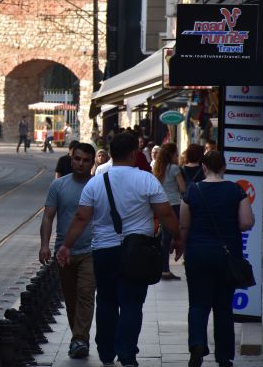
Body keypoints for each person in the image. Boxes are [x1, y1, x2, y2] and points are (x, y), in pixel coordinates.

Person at [56, 133, 183, 367]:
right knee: (133, 304)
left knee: (106, 301)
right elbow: (165, 213)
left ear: (110, 154)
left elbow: (81, 217)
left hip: (104, 251)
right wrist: (177, 237)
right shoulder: (146, 180)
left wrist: (66, 245)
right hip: (137, 252)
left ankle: (106, 351)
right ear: (134, 153)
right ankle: (127, 354)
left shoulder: (96, 182)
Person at [179, 151, 254, 367]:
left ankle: (197, 345)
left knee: (198, 304)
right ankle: (224, 357)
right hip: (226, 255)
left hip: (198, 254)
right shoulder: (235, 190)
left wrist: (181, 246)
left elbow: (184, 224)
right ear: (224, 167)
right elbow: (245, 223)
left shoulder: (193, 190)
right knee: (223, 307)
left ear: (203, 167)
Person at [39, 143, 96, 359]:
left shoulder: (97, 185)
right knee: (71, 298)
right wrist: (45, 244)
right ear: (71, 159)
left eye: (85, 160)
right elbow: (48, 216)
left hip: (91, 250)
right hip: (64, 252)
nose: (80, 163)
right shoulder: (58, 186)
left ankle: (79, 339)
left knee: (85, 294)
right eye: (77, 159)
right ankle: (79, 338)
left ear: (92, 163)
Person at [152, 142, 187, 280]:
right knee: (168, 238)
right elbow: (183, 188)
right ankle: (164, 269)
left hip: (160, 205)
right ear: (171, 155)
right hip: (173, 205)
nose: (177, 156)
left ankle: (161, 267)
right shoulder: (174, 169)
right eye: (176, 154)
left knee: (164, 237)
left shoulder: (158, 168)